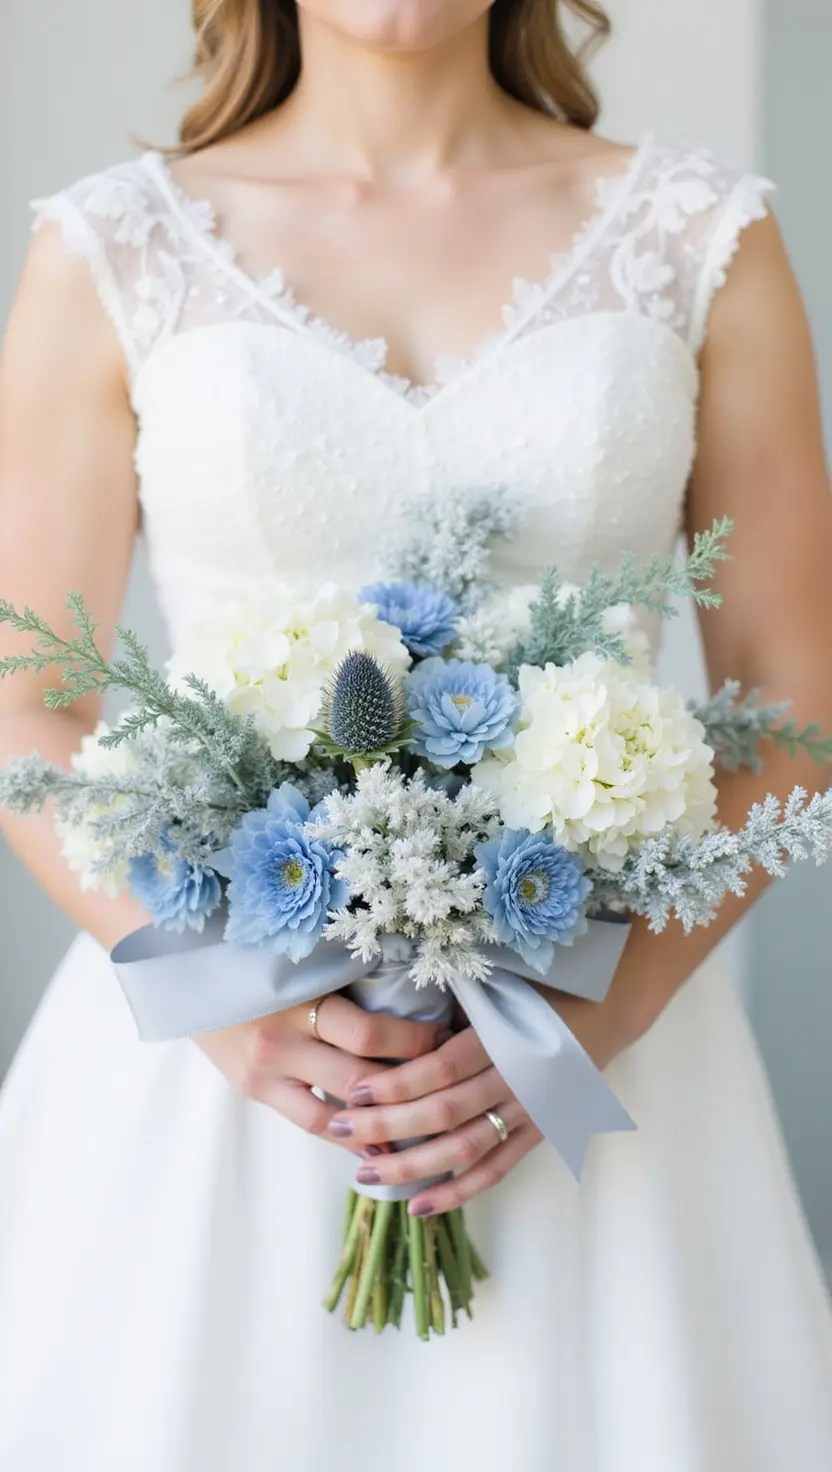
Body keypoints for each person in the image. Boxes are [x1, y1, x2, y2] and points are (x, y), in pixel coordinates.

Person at [1, 1, 831, 1467]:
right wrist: (229, 1003)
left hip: (605, 1066)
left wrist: (597, 1013)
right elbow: (25, 694)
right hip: (221, 1063)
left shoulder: (703, 234)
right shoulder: (111, 244)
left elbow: (793, 696)